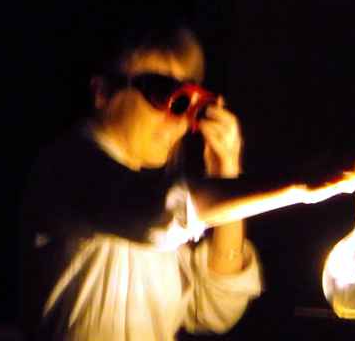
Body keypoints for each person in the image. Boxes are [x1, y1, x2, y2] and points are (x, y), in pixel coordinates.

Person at [19, 23, 262, 341]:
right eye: (162, 92)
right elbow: (150, 217)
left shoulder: (162, 203)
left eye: (190, 104)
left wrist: (227, 172)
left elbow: (215, 311)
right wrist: (295, 187)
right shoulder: (68, 167)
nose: (177, 119)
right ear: (103, 92)